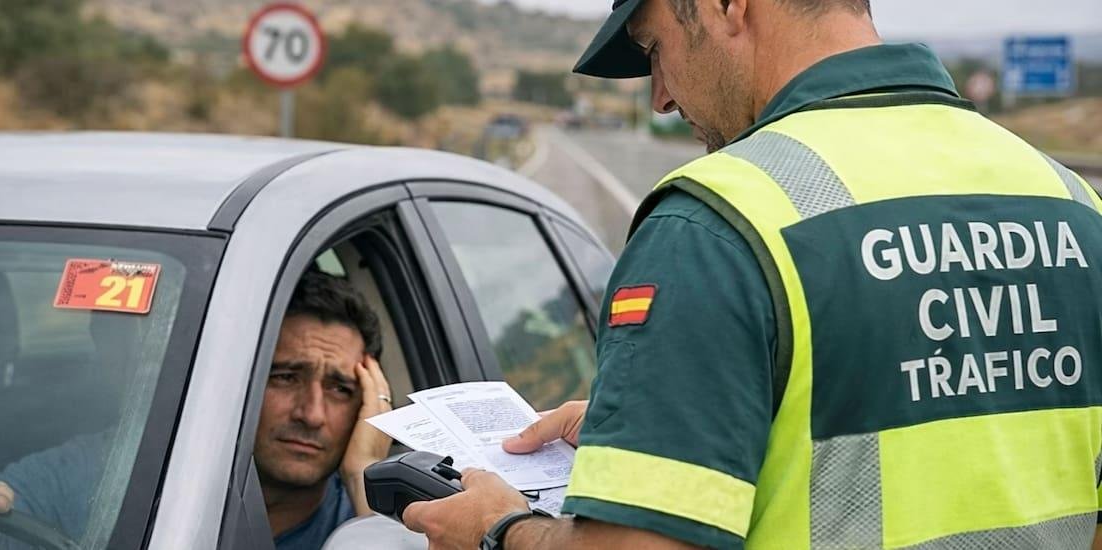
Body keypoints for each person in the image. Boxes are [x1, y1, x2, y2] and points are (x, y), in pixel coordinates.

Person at [401, 0, 1102, 549]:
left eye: (655, 51)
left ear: (727, 4)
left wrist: (499, 530)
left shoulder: (718, 224)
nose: (661, 97)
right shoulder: (1072, 204)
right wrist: (671, 431)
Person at [0, 272, 394, 549]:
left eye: (340, 389)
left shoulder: (379, 522)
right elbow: (1, 508)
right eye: (285, 377)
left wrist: (368, 481)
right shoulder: (104, 476)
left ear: (368, 404)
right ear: (237, 377)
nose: (312, 412)